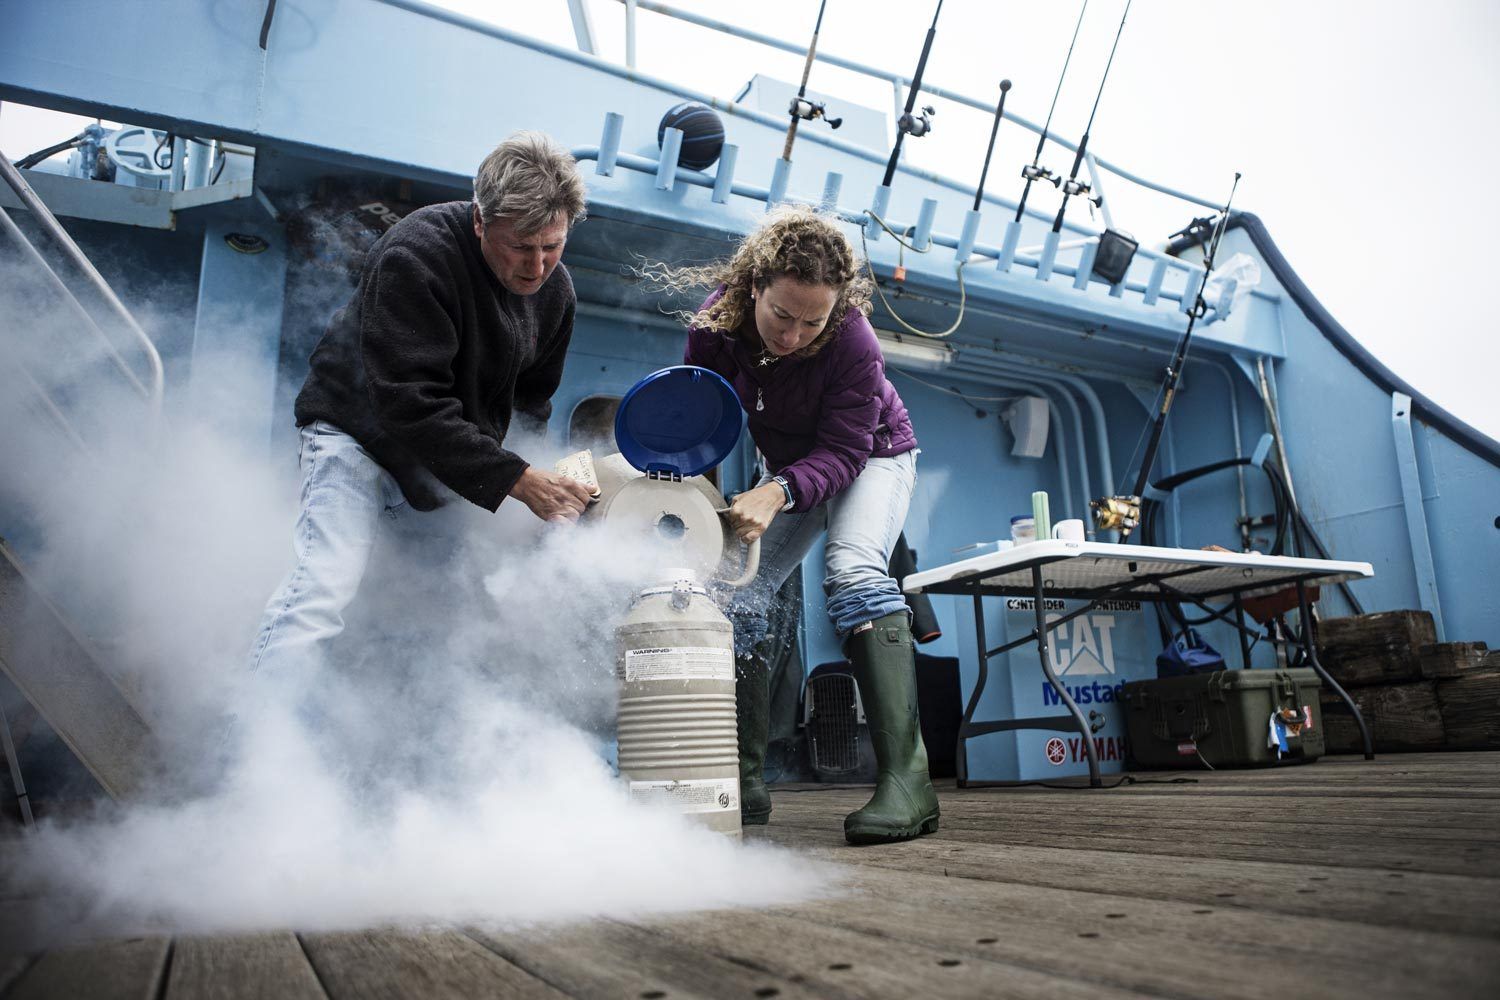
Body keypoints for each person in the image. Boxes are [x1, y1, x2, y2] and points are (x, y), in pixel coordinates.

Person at [247, 131, 595, 690]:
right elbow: (409, 401)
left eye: (552, 246)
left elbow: (532, 403)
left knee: (444, 611)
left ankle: (407, 759)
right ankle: (249, 751)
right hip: (355, 437)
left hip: (444, 464)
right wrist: (517, 479)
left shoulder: (557, 293)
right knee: (324, 588)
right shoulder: (417, 252)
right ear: (481, 222)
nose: (537, 266)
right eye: (521, 246)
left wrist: (544, 482)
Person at [657, 205, 939, 844]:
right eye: (781, 315)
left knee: (854, 570)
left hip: (872, 453)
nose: (792, 336)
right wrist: (690, 501)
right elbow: (701, 417)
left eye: (812, 322)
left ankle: (908, 781)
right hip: (789, 464)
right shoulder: (714, 324)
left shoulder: (852, 342)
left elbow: (844, 455)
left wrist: (777, 490)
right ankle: (747, 780)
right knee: (738, 589)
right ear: (753, 286)